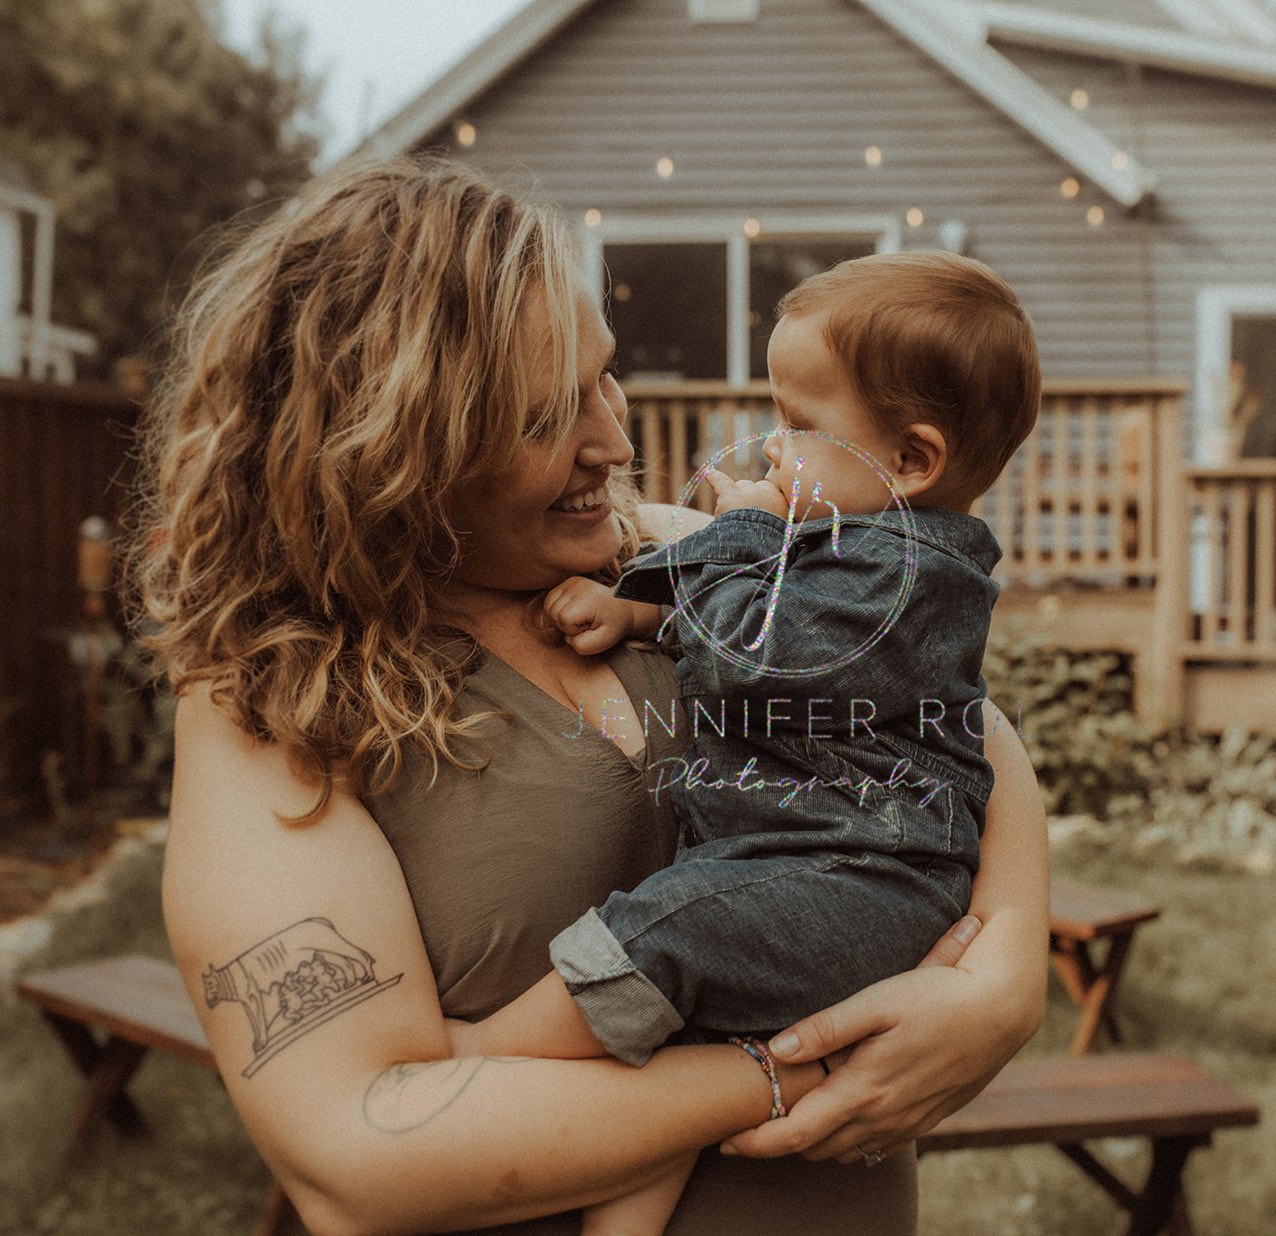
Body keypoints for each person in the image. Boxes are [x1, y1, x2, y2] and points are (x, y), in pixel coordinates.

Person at [133, 155, 1047, 1235]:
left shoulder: (667, 554)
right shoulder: (276, 694)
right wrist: (799, 1068)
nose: (613, 440)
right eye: (541, 420)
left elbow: (959, 724)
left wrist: (1004, 981)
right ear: (389, 445)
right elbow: (355, 1155)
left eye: (602, 377)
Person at [452, 252, 1042, 1234]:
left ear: (908, 461)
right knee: (677, 1027)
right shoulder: (855, 541)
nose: (773, 448)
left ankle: (476, 1059)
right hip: (806, 860)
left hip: (856, 876)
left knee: (664, 932)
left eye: (802, 426)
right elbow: (745, 624)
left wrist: (742, 534)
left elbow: (752, 659)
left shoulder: (909, 572)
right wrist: (635, 615)